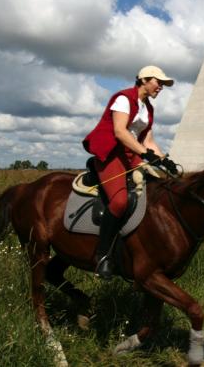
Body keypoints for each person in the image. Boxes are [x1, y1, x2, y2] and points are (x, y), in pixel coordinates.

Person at [82, 65, 179, 279]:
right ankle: (102, 255)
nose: (161, 87)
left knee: (158, 190)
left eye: (163, 84)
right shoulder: (124, 99)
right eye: (158, 82)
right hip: (111, 152)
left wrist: (164, 161)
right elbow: (120, 132)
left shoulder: (148, 109)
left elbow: (148, 140)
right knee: (119, 203)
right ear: (144, 80)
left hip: (131, 153)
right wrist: (145, 154)